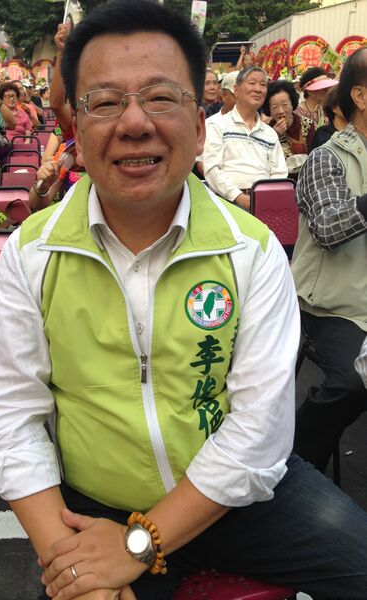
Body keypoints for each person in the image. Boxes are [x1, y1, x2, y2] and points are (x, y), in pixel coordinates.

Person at [0, 3, 367, 600]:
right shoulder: (31, 252)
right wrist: (75, 568)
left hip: (241, 498)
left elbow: (258, 430)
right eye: (105, 102)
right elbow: (12, 417)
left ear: (200, 126)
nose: (135, 123)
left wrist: (140, 543)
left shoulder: (251, 250)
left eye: (161, 98)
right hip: (97, 505)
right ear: (75, 127)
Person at [292, 46, 367, 474]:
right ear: (360, 96)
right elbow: (327, 228)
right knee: (352, 382)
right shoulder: (327, 156)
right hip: (331, 306)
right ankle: (294, 465)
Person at [202, 66, 287, 210]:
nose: (258, 89)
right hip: (226, 202)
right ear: (236, 90)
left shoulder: (269, 133)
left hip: (263, 204)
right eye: (252, 83)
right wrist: (238, 197)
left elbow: (279, 173)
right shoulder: (217, 125)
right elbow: (212, 169)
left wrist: (267, 199)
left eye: (263, 85)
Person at [310, 85, 348, 150]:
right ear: (334, 108)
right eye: (346, 102)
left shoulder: (359, 131)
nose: (351, 106)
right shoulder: (323, 135)